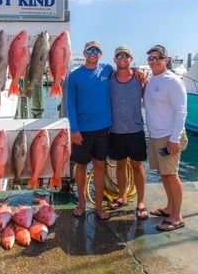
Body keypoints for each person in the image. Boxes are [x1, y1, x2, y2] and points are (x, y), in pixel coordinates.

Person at [66, 40, 113, 220]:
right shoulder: (74, 76)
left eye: (96, 50)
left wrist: (139, 73)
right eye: (89, 50)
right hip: (82, 132)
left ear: (100, 53)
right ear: (84, 53)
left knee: (100, 165)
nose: (93, 53)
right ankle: (82, 203)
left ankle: (99, 205)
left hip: (102, 130)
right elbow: (70, 105)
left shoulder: (107, 70)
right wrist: (74, 129)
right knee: (81, 167)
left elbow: (124, 72)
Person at [143, 44, 188, 231]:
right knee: (164, 175)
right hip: (155, 135)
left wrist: (175, 138)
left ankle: (177, 216)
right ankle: (170, 207)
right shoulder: (152, 80)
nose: (154, 61)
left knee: (171, 174)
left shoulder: (173, 81)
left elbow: (181, 110)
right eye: (151, 58)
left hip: (169, 136)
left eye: (157, 58)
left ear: (166, 60)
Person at [109, 45, 149, 220]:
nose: (122, 58)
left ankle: (141, 202)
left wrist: (139, 71)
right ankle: (122, 196)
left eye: (126, 55)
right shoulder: (110, 78)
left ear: (131, 59)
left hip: (136, 130)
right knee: (120, 166)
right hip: (116, 131)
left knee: (137, 166)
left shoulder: (139, 78)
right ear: (115, 59)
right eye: (119, 55)